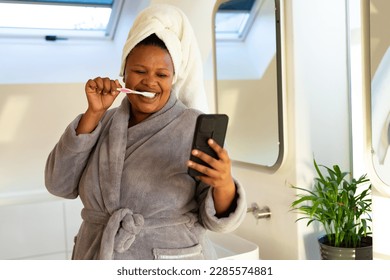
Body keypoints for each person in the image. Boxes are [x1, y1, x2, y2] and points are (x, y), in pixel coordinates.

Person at [45, 4, 246, 260]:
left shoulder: (194, 126)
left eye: (161, 74)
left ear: (173, 78)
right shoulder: (101, 123)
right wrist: (93, 114)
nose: (150, 81)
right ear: (124, 73)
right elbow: (58, 185)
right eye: (140, 71)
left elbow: (216, 221)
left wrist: (224, 183)